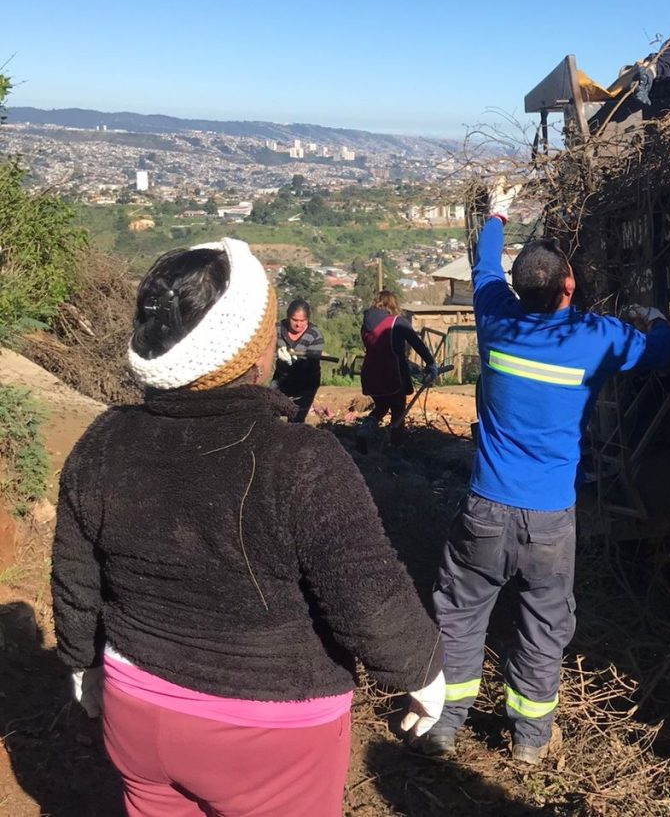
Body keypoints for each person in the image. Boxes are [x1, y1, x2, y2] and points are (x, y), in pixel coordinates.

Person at [50, 237, 444, 817]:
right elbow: (363, 586)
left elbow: (75, 573)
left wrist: (81, 662)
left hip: (137, 710)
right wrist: (421, 668)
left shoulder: (103, 441)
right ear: (252, 353)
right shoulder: (303, 459)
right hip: (270, 733)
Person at [417, 183, 670, 764]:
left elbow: (486, 265)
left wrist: (498, 213)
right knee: (544, 621)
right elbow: (661, 351)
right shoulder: (595, 337)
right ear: (570, 286)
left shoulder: (496, 320)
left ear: (517, 291)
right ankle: (530, 742)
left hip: (484, 507)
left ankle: (444, 725)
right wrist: (653, 318)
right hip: (550, 520)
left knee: (460, 612)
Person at [357, 289, 438, 453]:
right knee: (398, 410)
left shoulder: (366, 326)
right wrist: (431, 363)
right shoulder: (396, 322)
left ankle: (365, 430)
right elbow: (417, 343)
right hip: (391, 373)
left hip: (370, 373)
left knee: (381, 406)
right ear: (393, 304)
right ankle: (396, 447)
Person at [272, 298, 324, 423]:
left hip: (306, 382)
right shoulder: (277, 329)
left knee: (296, 418)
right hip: (281, 378)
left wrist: (294, 363)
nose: (298, 324)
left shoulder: (314, 335)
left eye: (302, 321)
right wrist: (275, 351)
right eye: (294, 320)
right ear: (288, 317)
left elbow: (312, 363)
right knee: (270, 412)